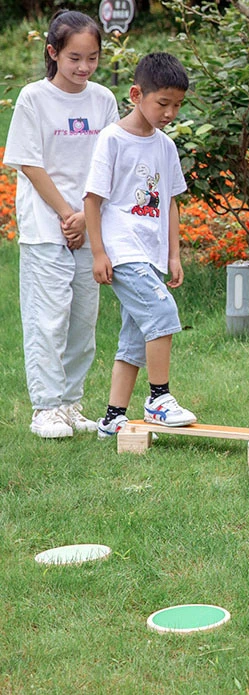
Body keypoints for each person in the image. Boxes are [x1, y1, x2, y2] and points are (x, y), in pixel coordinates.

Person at [3, 10, 120, 439]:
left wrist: (85, 219)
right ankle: (45, 408)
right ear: (53, 53)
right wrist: (66, 214)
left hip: (90, 225)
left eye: (92, 58)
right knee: (48, 318)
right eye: (74, 58)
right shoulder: (34, 98)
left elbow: (110, 163)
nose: (83, 68)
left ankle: (71, 403)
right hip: (46, 227)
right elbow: (29, 162)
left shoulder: (103, 100)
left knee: (82, 321)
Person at [84, 52, 196, 438]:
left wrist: (173, 253)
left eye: (177, 105)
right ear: (136, 94)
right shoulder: (112, 140)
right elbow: (92, 200)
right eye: (162, 103)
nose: (170, 112)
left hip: (150, 254)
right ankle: (158, 400)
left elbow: (170, 201)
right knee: (162, 311)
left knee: (134, 335)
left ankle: (113, 418)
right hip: (122, 249)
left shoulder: (165, 146)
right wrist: (99, 252)